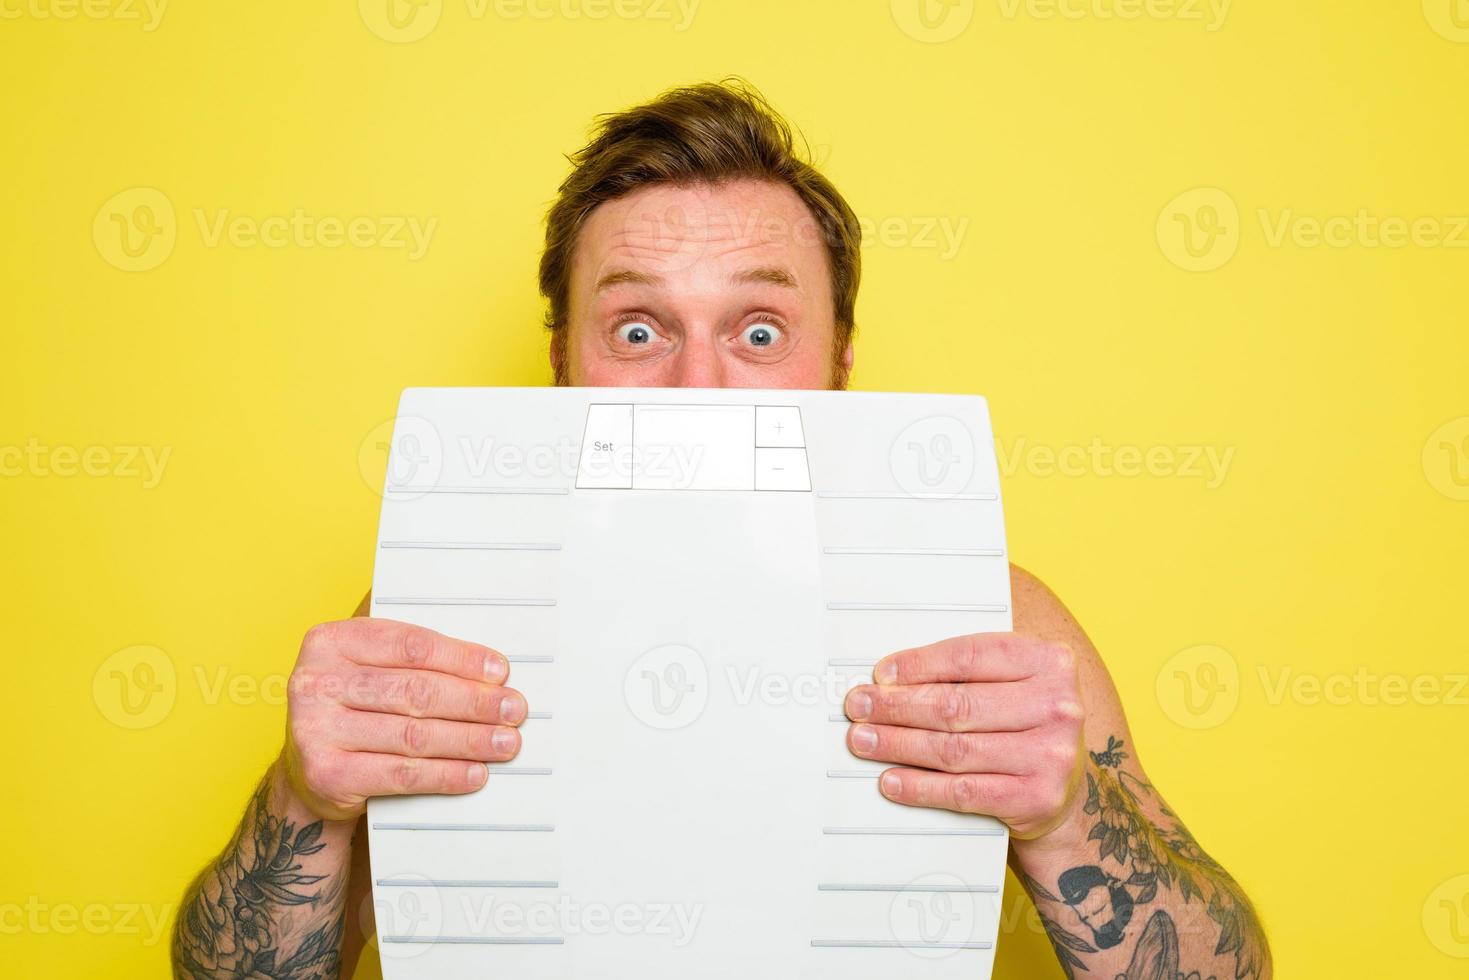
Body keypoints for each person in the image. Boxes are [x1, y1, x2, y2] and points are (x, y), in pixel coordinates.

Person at [172, 80, 1271, 979]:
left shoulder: (990, 619)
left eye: (757, 327)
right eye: (638, 326)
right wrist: (303, 798)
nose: (697, 386)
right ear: (561, 360)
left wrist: (1067, 812)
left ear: (840, 365)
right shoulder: (438, 614)